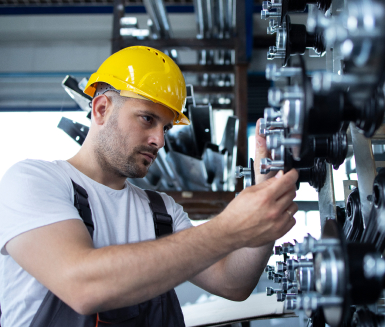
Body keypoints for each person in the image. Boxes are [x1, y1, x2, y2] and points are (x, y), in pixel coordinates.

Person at [0, 46, 299, 327]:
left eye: (166, 127)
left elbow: (233, 283)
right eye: (147, 118)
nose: (160, 140)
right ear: (102, 109)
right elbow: (82, 286)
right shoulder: (33, 181)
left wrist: (267, 195)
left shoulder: (162, 212)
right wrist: (229, 228)